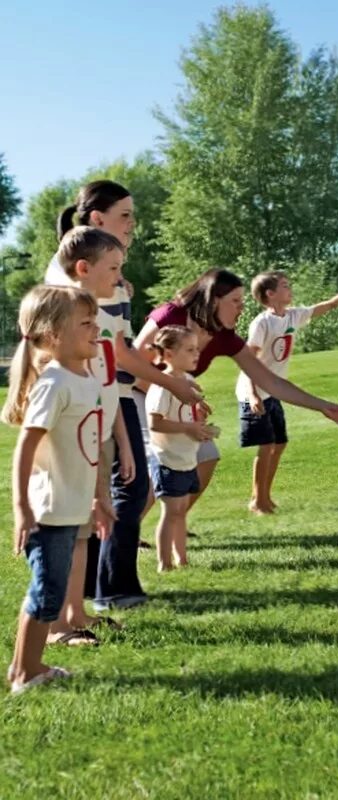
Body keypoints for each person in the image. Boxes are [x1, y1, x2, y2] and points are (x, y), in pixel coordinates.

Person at [49, 181, 204, 613]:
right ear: (96, 219)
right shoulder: (79, 280)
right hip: (92, 400)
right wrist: (171, 382)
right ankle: (103, 592)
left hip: (111, 399)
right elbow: (116, 353)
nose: (133, 223)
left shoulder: (103, 280)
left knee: (122, 490)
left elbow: (117, 348)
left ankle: (100, 590)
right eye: (125, 215)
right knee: (108, 495)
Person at [133, 268, 338, 517]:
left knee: (207, 456)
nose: (241, 307)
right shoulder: (171, 315)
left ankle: (173, 525)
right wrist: (176, 388)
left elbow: (270, 381)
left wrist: (322, 406)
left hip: (174, 401)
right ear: (214, 299)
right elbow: (133, 360)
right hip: (135, 395)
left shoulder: (224, 336)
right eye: (235, 301)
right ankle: (129, 536)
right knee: (161, 458)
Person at [2, 286, 115, 694]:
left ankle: (27, 668)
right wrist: (21, 509)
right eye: (85, 323)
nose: (95, 329)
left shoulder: (83, 377)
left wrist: (98, 498)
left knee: (51, 589)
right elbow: (26, 448)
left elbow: (86, 448)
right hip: (48, 511)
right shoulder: (54, 383)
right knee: (47, 593)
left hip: (70, 506)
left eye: (95, 321)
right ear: (52, 336)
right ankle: (24, 673)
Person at [236, 271, 338, 514]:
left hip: (275, 391)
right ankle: (258, 499)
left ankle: (263, 495)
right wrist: (252, 395)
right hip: (252, 392)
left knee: (279, 444)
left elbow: (330, 305)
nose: (290, 289)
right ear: (270, 294)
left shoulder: (294, 316)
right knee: (266, 446)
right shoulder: (262, 323)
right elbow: (248, 362)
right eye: (284, 286)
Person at [47, 227, 134, 645]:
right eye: (113, 268)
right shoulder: (61, 315)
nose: (119, 277)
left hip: (99, 434)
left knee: (86, 528)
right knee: (64, 532)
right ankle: (55, 626)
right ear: (83, 268)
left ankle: (75, 612)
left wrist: (122, 439)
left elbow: (109, 382)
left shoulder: (101, 315)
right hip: (72, 438)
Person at [146, 326, 212, 572]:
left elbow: (187, 412)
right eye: (190, 350)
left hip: (186, 458)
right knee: (171, 512)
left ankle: (181, 559)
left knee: (181, 512)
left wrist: (200, 417)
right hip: (167, 459)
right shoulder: (164, 385)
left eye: (197, 349)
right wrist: (188, 428)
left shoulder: (188, 381)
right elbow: (155, 422)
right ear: (169, 354)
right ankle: (165, 564)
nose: (197, 354)